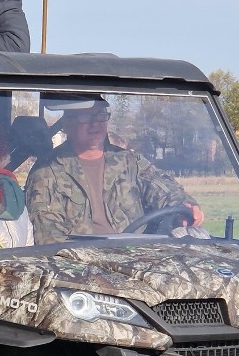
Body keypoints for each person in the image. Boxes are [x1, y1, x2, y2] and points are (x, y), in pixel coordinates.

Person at [25, 94, 204, 244]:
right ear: (66, 125)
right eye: (86, 117)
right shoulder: (47, 171)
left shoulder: (129, 161)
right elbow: (49, 238)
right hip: (82, 268)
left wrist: (185, 205)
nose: (95, 124)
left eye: (101, 116)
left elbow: (164, 189)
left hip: (138, 256)